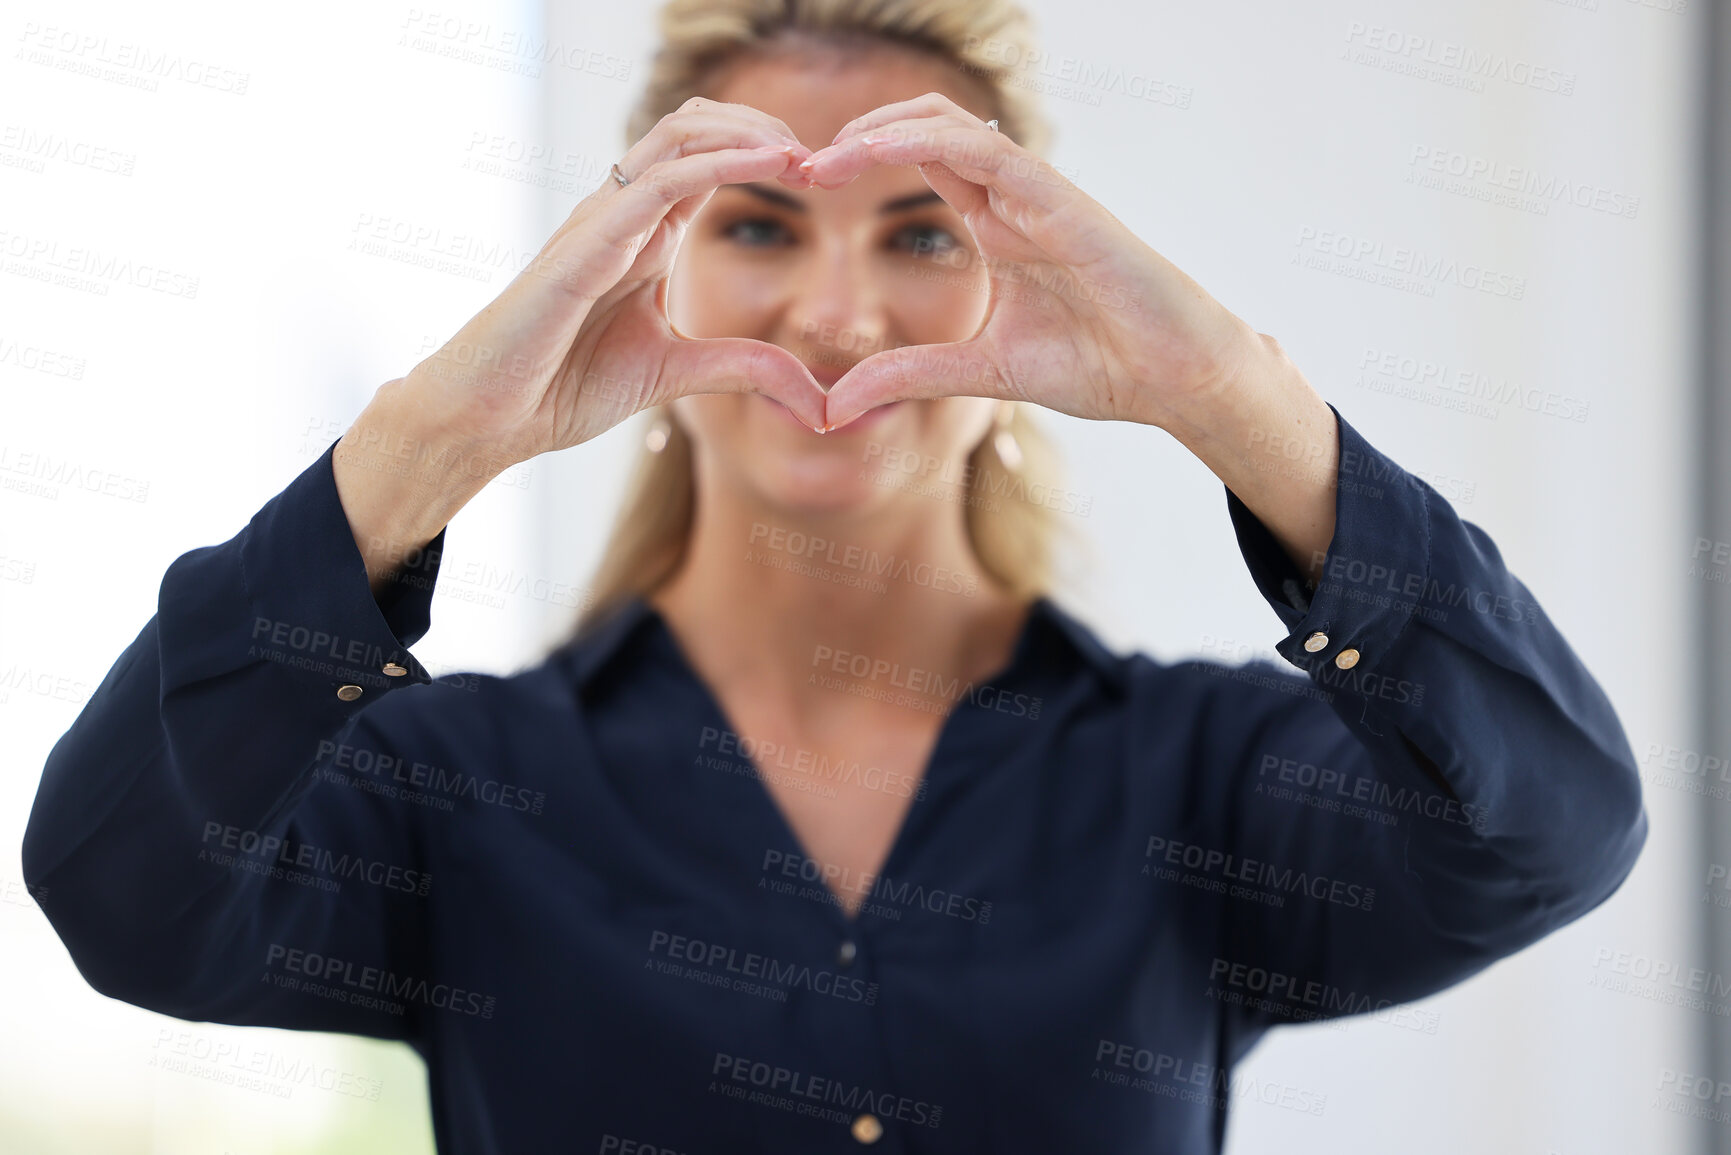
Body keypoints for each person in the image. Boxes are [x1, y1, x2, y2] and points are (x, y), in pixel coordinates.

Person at [22, 0, 1647, 1151]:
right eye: (759, 229)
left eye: (924, 234)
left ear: (1023, 280)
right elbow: (120, 891)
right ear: (651, 273)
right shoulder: (459, 790)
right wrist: (426, 445)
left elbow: (1555, 829)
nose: (838, 316)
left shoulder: (1204, 782)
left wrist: (1232, 399)